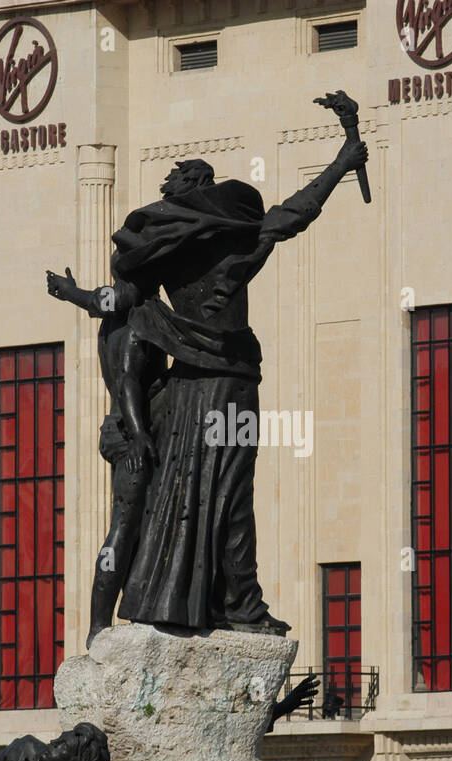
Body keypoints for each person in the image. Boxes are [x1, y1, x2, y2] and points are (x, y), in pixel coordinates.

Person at [96, 132, 368, 634]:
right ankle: (238, 605)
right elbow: (295, 212)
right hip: (230, 381)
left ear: (191, 185)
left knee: (190, 492)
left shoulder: (159, 245)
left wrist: (341, 162)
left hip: (189, 387)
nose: (166, 183)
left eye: (174, 178)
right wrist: (342, 162)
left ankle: (207, 604)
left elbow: (118, 304)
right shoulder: (234, 234)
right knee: (230, 492)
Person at [45, 265, 165, 648]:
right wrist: (141, 434)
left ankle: (127, 610)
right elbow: (129, 379)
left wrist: (71, 292)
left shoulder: (113, 317)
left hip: (120, 430)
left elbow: (100, 301)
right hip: (130, 434)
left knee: (136, 527)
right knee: (124, 528)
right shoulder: (136, 323)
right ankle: (98, 624)